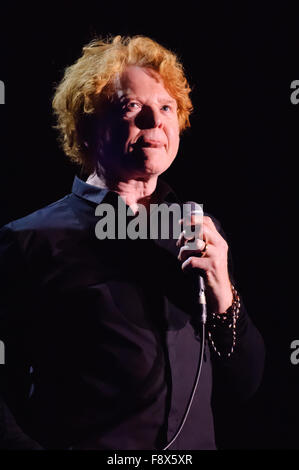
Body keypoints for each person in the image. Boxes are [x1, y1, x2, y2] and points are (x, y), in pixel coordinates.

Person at [0, 35, 265, 450]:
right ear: (87, 126)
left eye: (166, 108)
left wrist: (223, 294)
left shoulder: (201, 230)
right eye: (131, 107)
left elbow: (245, 383)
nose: (154, 122)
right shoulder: (30, 241)